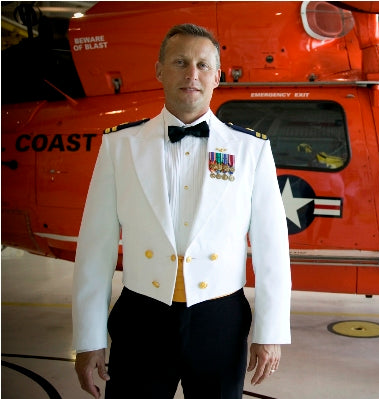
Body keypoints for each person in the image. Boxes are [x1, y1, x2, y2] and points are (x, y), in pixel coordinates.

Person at [72, 24, 291, 399]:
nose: (192, 74)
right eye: (180, 62)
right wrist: (89, 338)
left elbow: (272, 250)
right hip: (141, 318)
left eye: (203, 65)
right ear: (159, 70)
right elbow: (95, 250)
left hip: (220, 320)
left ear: (217, 77)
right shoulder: (120, 147)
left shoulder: (251, 150)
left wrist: (270, 332)